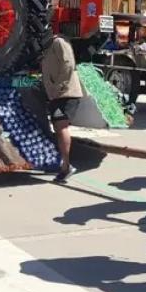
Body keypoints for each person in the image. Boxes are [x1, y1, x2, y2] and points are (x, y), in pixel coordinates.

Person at [40, 36, 83, 183]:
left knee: (61, 127)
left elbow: (68, 64)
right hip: (56, 95)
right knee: (58, 128)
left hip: (66, 93)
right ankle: (63, 164)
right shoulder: (45, 48)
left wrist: (58, 87)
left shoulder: (59, 42)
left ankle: (66, 166)